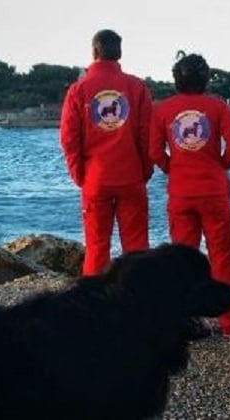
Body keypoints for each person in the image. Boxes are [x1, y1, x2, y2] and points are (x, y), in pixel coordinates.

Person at [149, 53, 230, 339]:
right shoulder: (217, 107)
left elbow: (155, 152)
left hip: (180, 193)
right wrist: (220, 165)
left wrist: (173, 168)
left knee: (183, 261)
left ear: (176, 79)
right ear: (206, 78)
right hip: (214, 193)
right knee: (223, 257)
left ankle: (187, 322)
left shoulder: (163, 110)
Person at [59, 29, 153, 275]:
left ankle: (94, 305)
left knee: (97, 246)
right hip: (131, 177)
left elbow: (69, 139)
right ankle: (141, 303)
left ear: (95, 51)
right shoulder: (136, 87)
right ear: (119, 53)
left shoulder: (79, 90)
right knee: (137, 248)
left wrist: (80, 176)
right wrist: (144, 170)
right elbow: (147, 136)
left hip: (96, 179)